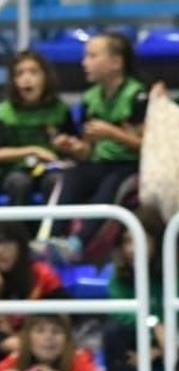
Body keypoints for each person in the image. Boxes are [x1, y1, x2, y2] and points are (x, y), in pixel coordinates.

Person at [50, 32, 147, 254]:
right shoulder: (89, 100)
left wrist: (113, 133)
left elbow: (148, 146)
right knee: (72, 176)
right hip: (98, 162)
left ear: (116, 62)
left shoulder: (138, 97)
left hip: (129, 165)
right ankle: (53, 237)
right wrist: (73, 147)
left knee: (110, 185)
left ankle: (79, 243)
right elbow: (87, 151)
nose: (85, 63)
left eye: (93, 56)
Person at [103, 206, 179, 371]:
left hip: (178, 345)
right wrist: (153, 324)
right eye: (127, 241)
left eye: (141, 240)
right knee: (114, 333)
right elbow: (120, 312)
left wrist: (159, 349)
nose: (132, 249)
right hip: (141, 344)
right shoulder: (119, 275)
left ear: (157, 241)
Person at [0, 50, 73, 206]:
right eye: (19, 73)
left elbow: (73, 150)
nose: (26, 79)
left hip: (50, 170)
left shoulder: (60, 110)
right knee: (19, 183)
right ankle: (17, 231)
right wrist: (33, 150)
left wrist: (68, 145)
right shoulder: (3, 113)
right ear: (13, 81)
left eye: (34, 72)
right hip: (14, 171)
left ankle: (55, 229)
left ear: (45, 77)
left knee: (58, 181)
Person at [0, 221, 66, 358]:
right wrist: (5, 341)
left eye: (7, 243)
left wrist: (26, 340)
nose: (1, 250)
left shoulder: (41, 275)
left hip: (40, 347)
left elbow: (65, 317)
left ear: (21, 245)